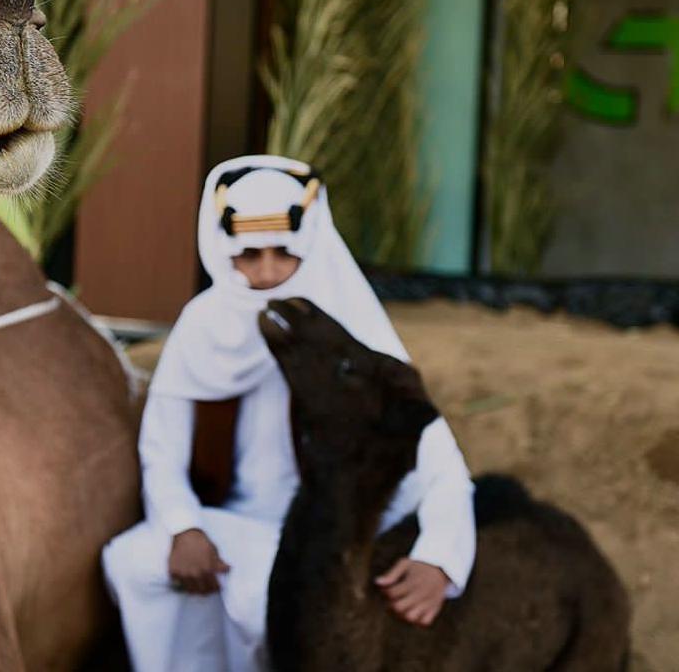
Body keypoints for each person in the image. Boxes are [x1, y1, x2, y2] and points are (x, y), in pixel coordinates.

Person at [102, 155, 475, 672]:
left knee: (264, 602)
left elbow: (440, 462)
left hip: (328, 538)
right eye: (249, 255)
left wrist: (439, 554)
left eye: (285, 253)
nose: (267, 272)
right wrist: (184, 527)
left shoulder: (348, 328)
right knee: (131, 562)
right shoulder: (204, 325)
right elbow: (162, 450)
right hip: (233, 526)